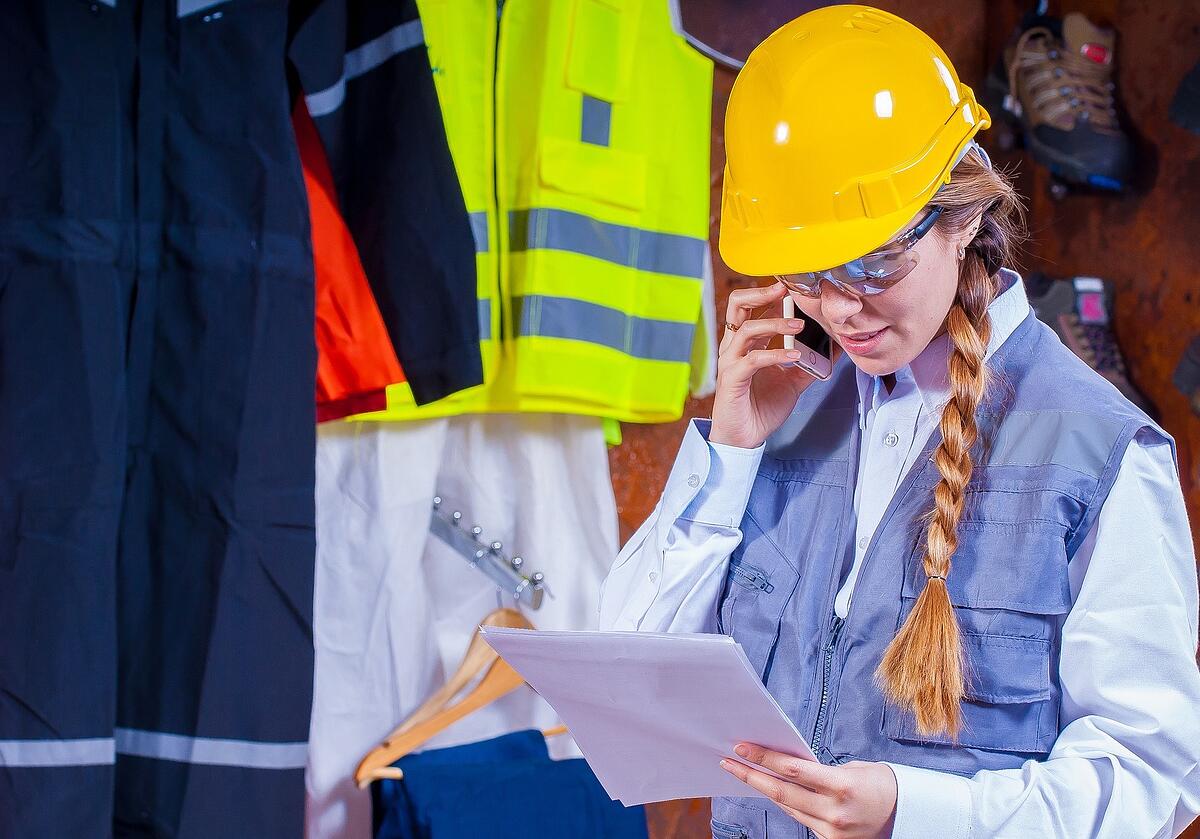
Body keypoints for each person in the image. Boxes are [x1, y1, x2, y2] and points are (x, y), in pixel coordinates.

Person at [599, 6, 1200, 839]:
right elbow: (628, 689)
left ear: (962, 217)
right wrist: (731, 451)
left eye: (874, 262)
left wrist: (911, 812)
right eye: (807, 273)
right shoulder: (781, 412)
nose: (840, 308)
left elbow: (1148, 780)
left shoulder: (1098, 453)